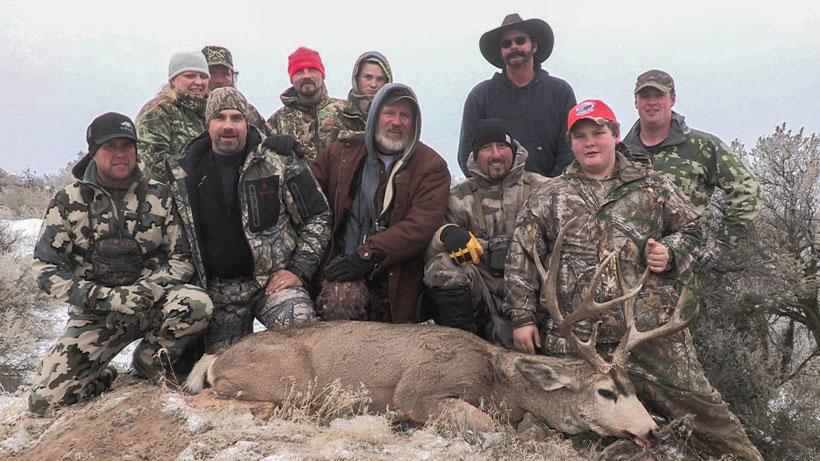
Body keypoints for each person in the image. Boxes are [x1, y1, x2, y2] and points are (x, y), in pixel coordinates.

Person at [502, 99, 763, 460]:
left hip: (647, 333)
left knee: (709, 417)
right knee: (556, 431)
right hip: (576, 340)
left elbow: (694, 230)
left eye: (598, 133)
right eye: (581, 137)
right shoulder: (551, 195)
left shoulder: (652, 187)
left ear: (615, 135)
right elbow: (522, 257)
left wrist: (671, 252)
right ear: (571, 143)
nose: (590, 143)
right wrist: (523, 317)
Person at [28, 112, 213, 415]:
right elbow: (46, 268)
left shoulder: (160, 195)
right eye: (110, 146)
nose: (120, 154)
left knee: (197, 304)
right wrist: (104, 297)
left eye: (127, 146)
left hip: (149, 305)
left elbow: (181, 258)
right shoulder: (67, 200)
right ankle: (100, 375)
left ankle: (150, 361)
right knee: (44, 402)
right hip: (96, 315)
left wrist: (149, 289)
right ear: (93, 152)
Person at [166, 87, 331, 352]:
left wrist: (299, 269)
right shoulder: (185, 172)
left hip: (273, 283)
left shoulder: (279, 160)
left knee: (301, 336)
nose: (228, 126)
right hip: (221, 293)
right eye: (220, 117)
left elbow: (317, 216)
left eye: (236, 118)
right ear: (208, 124)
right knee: (222, 369)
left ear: (247, 122)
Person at [312, 83, 450, 324]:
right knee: (340, 297)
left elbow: (420, 226)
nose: (396, 122)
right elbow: (306, 187)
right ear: (375, 116)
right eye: (389, 113)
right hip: (346, 264)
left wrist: (368, 255)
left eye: (405, 115)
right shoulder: (341, 153)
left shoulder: (432, 166)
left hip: (397, 272)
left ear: (414, 123)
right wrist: (287, 155)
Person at [423, 118, 547, 342]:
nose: (496, 154)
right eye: (486, 148)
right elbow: (429, 243)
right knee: (442, 266)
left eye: (502, 146)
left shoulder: (545, 189)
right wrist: (446, 234)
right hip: (484, 300)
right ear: (475, 155)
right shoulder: (458, 197)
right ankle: (462, 349)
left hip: (537, 302)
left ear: (513, 149)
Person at [623, 69, 761, 269]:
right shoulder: (622, 153)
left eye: (659, 95)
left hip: (685, 275)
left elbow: (748, 191)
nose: (651, 102)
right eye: (645, 96)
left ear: (672, 99)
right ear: (636, 102)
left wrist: (720, 245)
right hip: (630, 274)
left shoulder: (702, 146)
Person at [458, 13, 576, 178]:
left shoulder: (560, 92)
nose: (514, 46)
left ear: (534, 46)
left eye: (520, 40)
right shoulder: (480, 96)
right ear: (501, 52)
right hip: (494, 197)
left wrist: (551, 190)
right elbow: (467, 154)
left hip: (552, 194)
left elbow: (570, 149)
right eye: (506, 43)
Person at [137, 50, 210, 183]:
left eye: (203, 76)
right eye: (190, 76)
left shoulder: (211, 114)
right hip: (168, 199)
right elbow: (153, 164)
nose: (199, 82)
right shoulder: (156, 112)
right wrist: (198, 180)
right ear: (173, 80)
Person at [266, 46, 346, 160]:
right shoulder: (276, 122)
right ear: (291, 79)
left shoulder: (346, 112)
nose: (306, 76)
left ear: (323, 75)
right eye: (299, 72)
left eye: (312, 70)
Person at [202, 45, 268, 134]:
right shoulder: (188, 112)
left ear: (233, 77)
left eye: (225, 74)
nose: (219, 80)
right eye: (212, 73)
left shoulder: (249, 112)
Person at [339, 51, 393, 134]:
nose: (373, 85)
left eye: (380, 79)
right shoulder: (338, 115)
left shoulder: (395, 120)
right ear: (356, 79)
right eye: (368, 77)